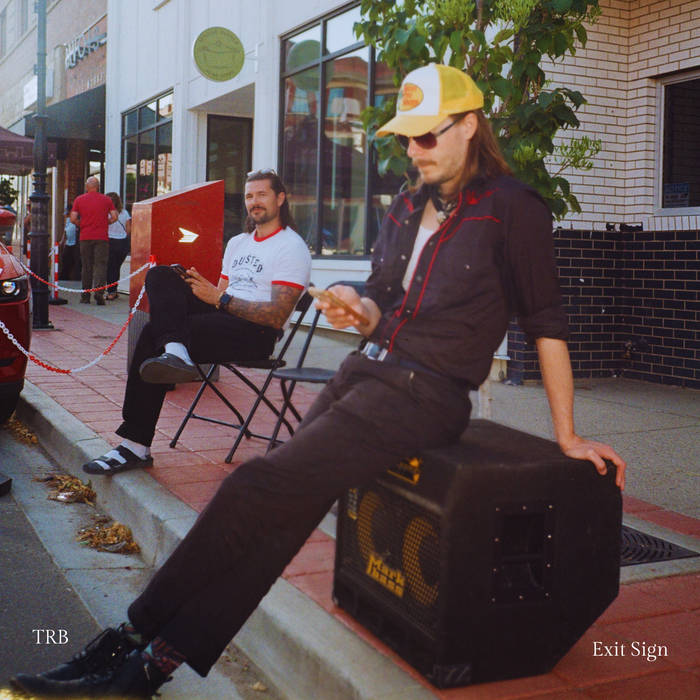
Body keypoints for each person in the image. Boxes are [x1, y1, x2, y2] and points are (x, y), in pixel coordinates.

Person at [12, 64, 626, 698]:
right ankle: (149, 667)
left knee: (253, 487)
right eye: (406, 139)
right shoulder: (408, 204)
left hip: (426, 393)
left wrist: (568, 435)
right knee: (282, 512)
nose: (414, 151)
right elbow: (381, 299)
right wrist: (355, 306)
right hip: (363, 373)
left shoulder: (514, 209)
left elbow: (547, 324)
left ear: (470, 126)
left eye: (427, 136)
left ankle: (125, 640)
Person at [78, 170, 311, 476]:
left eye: (262, 195)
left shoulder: (291, 247)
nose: (254, 202)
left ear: (280, 199)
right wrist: (206, 291)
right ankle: (175, 352)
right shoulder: (238, 243)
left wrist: (219, 299)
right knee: (160, 275)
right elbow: (220, 293)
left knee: (151, 335)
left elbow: (276, 316)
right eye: (249, 196)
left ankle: (135, 445)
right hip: (224, 317)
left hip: (256, 333)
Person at [71, 176, 118, 305]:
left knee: (86, 266)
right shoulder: (107, 200)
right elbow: (115, 216)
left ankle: (85, 296)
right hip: (101, 237)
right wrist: (106, 222)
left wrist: (82, 224)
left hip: (85, 236)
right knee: (100, 266)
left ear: (87, 186)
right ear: (98, 187)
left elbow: (73, 218)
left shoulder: (79, 199)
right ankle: (99, 293)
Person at [105, 192, 132, 300]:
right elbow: (128, 229)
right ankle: (113, 290)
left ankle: (111, 291)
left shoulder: (106, 213)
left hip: (110, 241)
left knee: (110, 268)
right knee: (116, 267)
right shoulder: (124, 212)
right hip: (123, 243)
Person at [59, 207, 80, 281]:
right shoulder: (67, 220)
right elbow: (65, 231)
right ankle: (64, 276)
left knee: (75, 260)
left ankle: (76, 277)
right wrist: (62, 241)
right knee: (65, 258)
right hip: (68, 243)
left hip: (75, 243)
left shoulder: (76, 220)